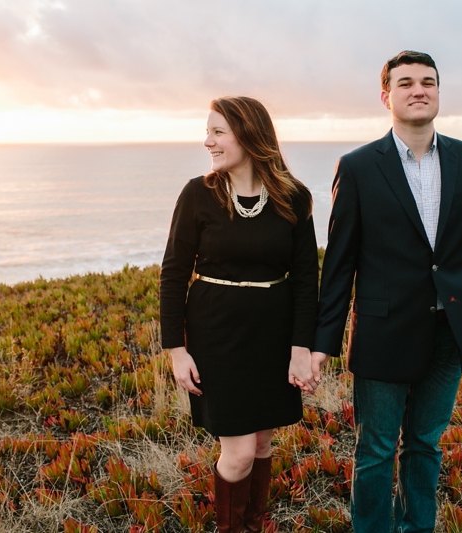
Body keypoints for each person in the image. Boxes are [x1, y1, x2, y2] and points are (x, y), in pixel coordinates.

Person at [311, 51, 462, 532]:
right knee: (375, 449)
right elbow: (339, 264)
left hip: (448, 333)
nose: (419, 90)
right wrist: (322, 343)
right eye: (407, 82)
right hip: (383, 332)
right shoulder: (356, 167)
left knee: (425, 444)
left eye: (428, 82)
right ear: (386, 96)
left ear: (438, 92)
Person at [159, 96, 319, 533]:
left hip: (273, 334)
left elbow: (307, 279)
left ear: (248, 134)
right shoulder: (198, 194)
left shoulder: (293, 196)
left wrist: (301, 348)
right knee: (240, 451)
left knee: (264, 440)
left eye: (217, 132)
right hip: (216, 335)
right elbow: (173, 273)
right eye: (207, 131)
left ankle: (253, 524)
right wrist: (175, 349)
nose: (206, 140)